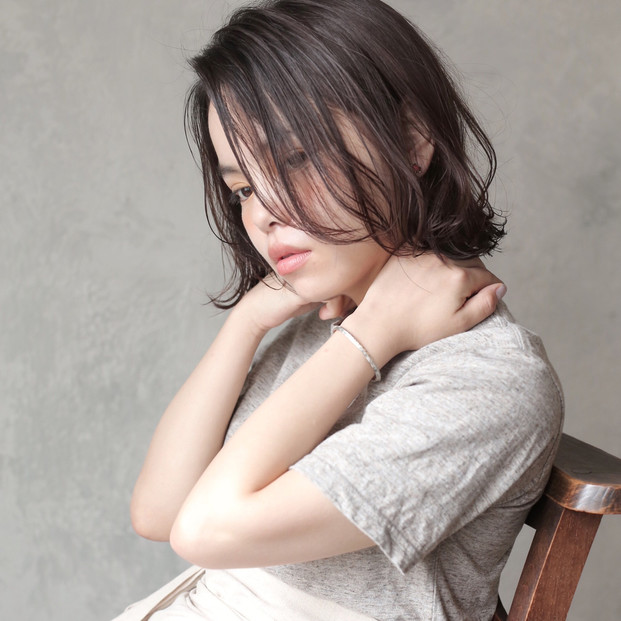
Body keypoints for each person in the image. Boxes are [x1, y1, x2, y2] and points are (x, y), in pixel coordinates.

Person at [118, 1, 564, 619]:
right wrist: (246, 323)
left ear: (411, 142)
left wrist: (372, 335)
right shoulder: (318, 327)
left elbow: (206, 531)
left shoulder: (487, 378)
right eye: (242, 187)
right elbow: (159, 512)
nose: (262, 212)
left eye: (296, 159)